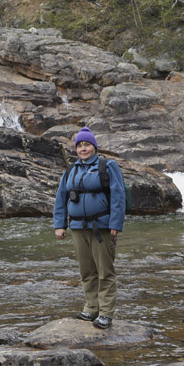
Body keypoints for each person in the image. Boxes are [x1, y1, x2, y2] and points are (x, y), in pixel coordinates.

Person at [53, 126, 126, 329]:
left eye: (87, 145)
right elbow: (61, 198)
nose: (83, 149)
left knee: (105, 271)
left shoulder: (108, 166)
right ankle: (91, 308)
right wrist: (60, 225)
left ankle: (105, 313)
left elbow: (118, 195)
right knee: (86, 270)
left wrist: (116, 224)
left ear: (94, 146)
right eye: (80, 145)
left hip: (102, 227)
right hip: (77, 227)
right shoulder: (71, 170)